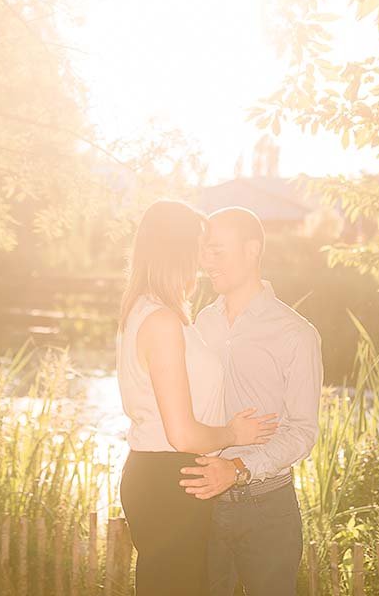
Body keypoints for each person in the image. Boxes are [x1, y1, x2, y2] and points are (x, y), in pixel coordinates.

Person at [116, 199, 279, 596]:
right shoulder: (161, 321)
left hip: (165, 477)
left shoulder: (153, 311)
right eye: (199, 246)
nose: (204, 259)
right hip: (171, 479)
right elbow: (183, 435)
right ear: (177, 249)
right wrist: (233, 434)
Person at [179, 206, 324, 596]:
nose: (206, 261)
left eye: (217, 251)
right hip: (199, 505)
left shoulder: (296, 333)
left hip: (267, 511)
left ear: (252, 250)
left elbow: (302, 431)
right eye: (203, 251)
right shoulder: (197, 325)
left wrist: (240, 468)